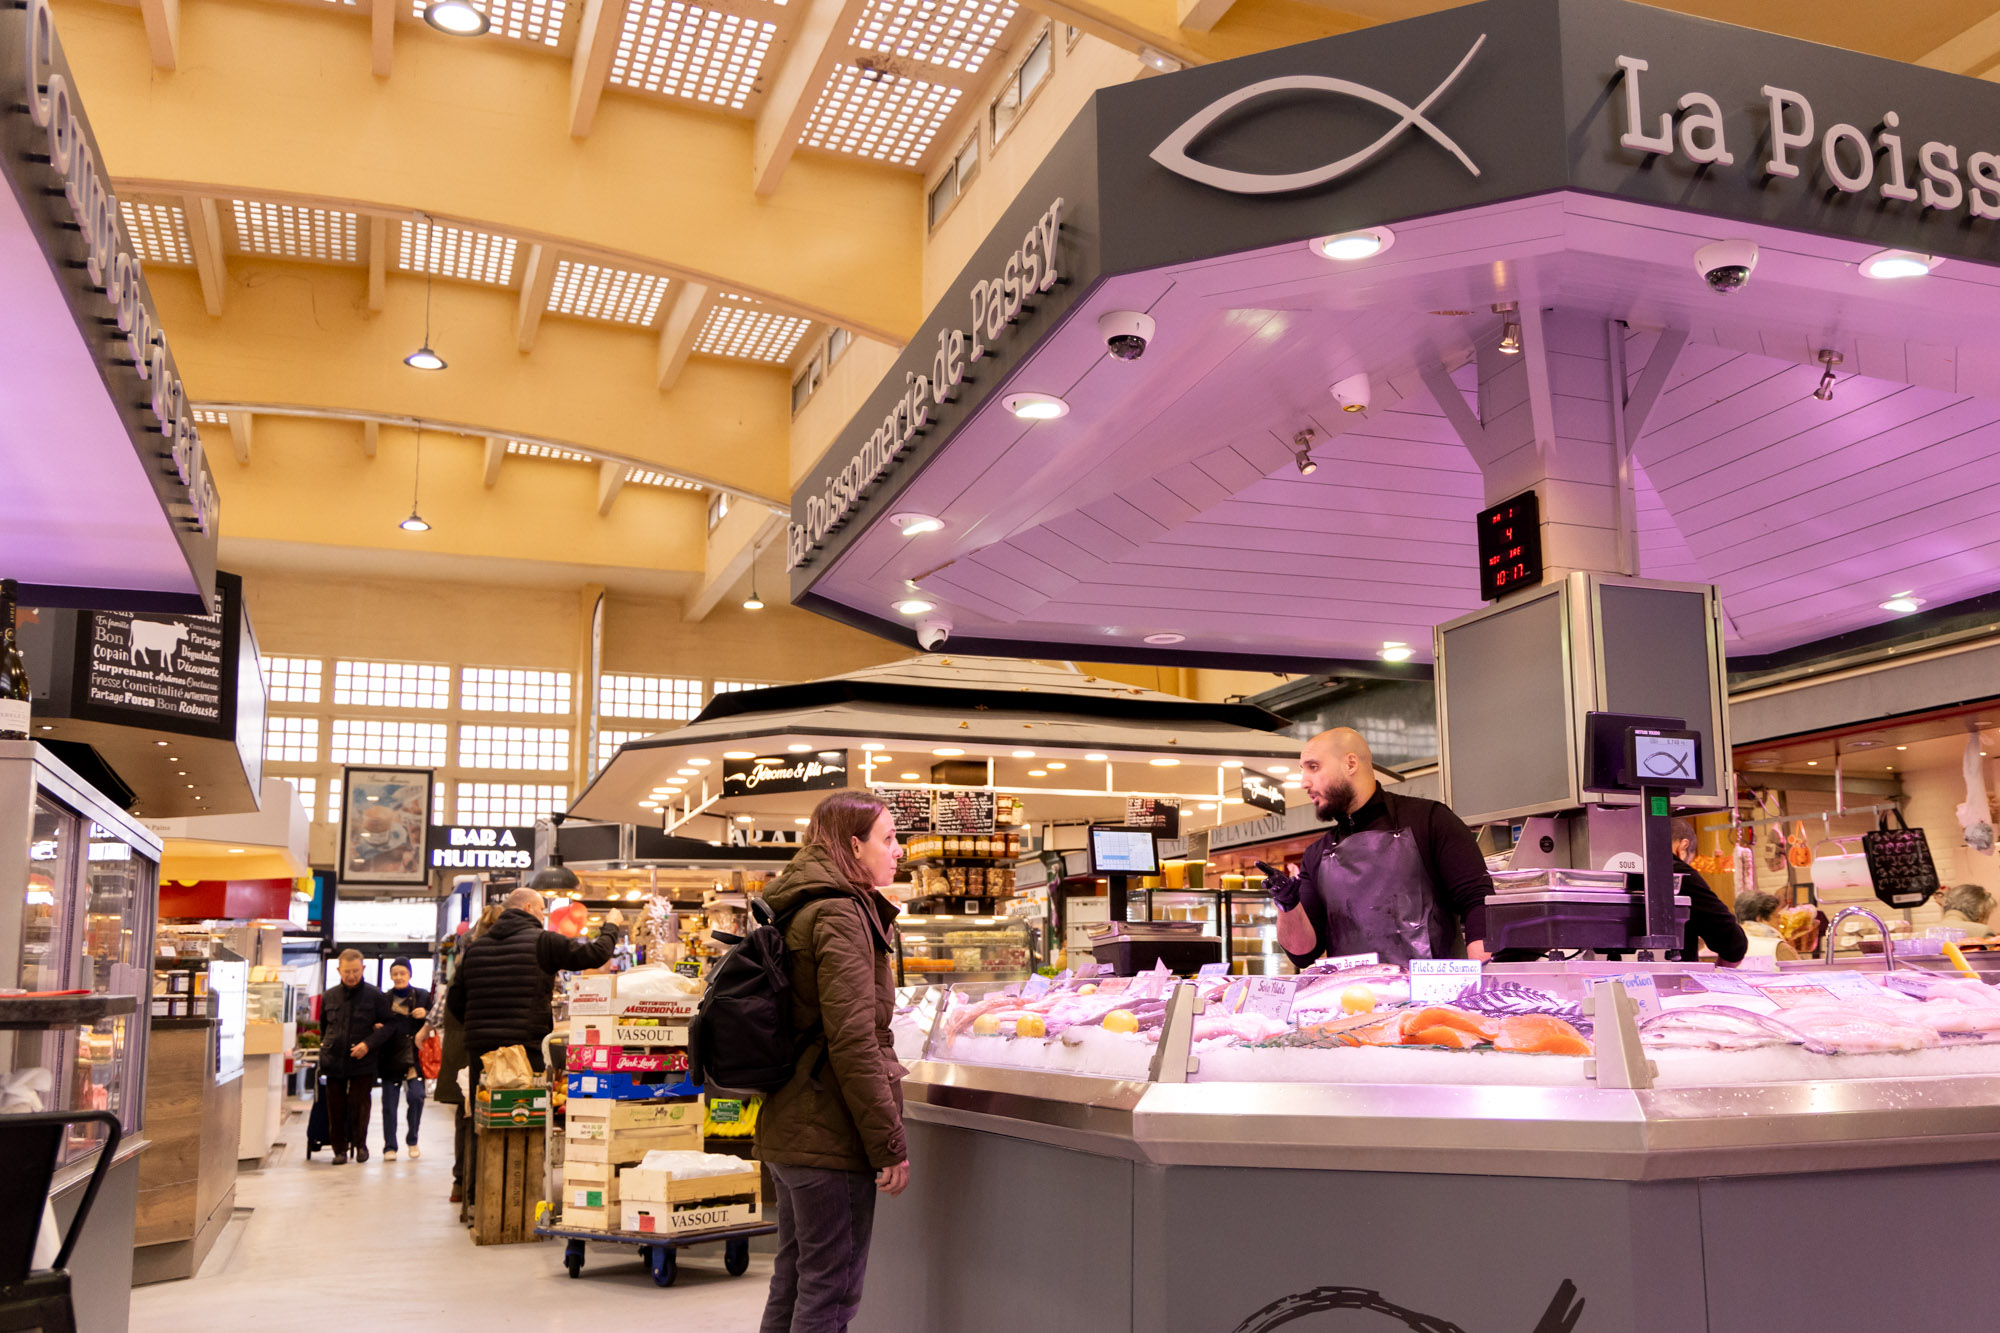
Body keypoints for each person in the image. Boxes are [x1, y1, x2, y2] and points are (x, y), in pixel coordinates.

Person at [757, 790, 909, 1333]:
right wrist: (887, 1142)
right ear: (854, 844)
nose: (898, 851)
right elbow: (855, 1041)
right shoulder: (842, 912)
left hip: (791, 1124)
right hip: (829, 1135)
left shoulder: (799, 900)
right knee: (830, 1294)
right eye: (888, 839)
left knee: (796, 1279)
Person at [446, 873, 622, 1202]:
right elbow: (594, 955)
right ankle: (522, 1195)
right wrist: (612, 925)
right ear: (529, 908)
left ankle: (476, 1195)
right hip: (524, 1045)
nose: (543, 916)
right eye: (542, 911)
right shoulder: (542, 941)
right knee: (525, 1117)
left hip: (481, 1049)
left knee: (483, 1116)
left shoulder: (477, 947)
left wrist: (480, 1024)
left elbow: (456, 1000)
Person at [1262, 728, 1495, 966]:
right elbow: (1302, 954)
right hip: (1352, 999)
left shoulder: (1430, 820)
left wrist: (1478, 978)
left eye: (1313, 767)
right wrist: (1287, 905)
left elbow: (1479, 902)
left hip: (1434, 997)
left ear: (1350, 763)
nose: (1303, 782)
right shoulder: (1316, 854)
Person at [433, 904, 502, 1206]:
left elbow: (446, 1007)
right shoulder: (489, 962)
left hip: (460, 1049)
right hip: (475, 1051)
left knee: (467, 1118)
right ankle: (475, 1184)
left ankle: (463, 1183)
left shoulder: (465, 960)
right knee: (479, 1116)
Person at [319, 949, 393, 1165]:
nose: (351, 975)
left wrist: (368, 1044)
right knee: (336, 1106)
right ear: (338, 970)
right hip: (334, 1059)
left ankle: (361, 1145)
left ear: (363, 969)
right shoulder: (329, 996)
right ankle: (339, 1150)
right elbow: (324, 1028)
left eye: (355, 971)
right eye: (346, 971)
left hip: (363, 1060)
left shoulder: (375, 995)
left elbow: (389, 1025)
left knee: (360, 1105)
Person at [1670, 818, 1750, 966]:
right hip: (1669, 979)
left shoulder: (1628, 865)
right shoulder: (1680, 874)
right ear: (1683, 846)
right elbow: (1733, 943)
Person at [377, 958, 432, 1161]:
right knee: (389, 1105)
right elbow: (377, 1021)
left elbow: (435, 1019)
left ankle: (413, 1139)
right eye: (395, 974)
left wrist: (426, 1014)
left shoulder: (422, 996)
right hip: (390, 1056)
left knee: (417, 1097)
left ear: (409, 974)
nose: (399, 977)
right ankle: (390, 1146)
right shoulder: (384, 998)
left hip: (414, 1056)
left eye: (402, 973)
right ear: (391, 976)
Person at [1733, 891, 1800, 961]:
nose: (1780, 921)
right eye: (1777, 917)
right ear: (1760, 919)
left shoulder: (1730, 946)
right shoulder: (1779, 947)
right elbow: (1802, 970)